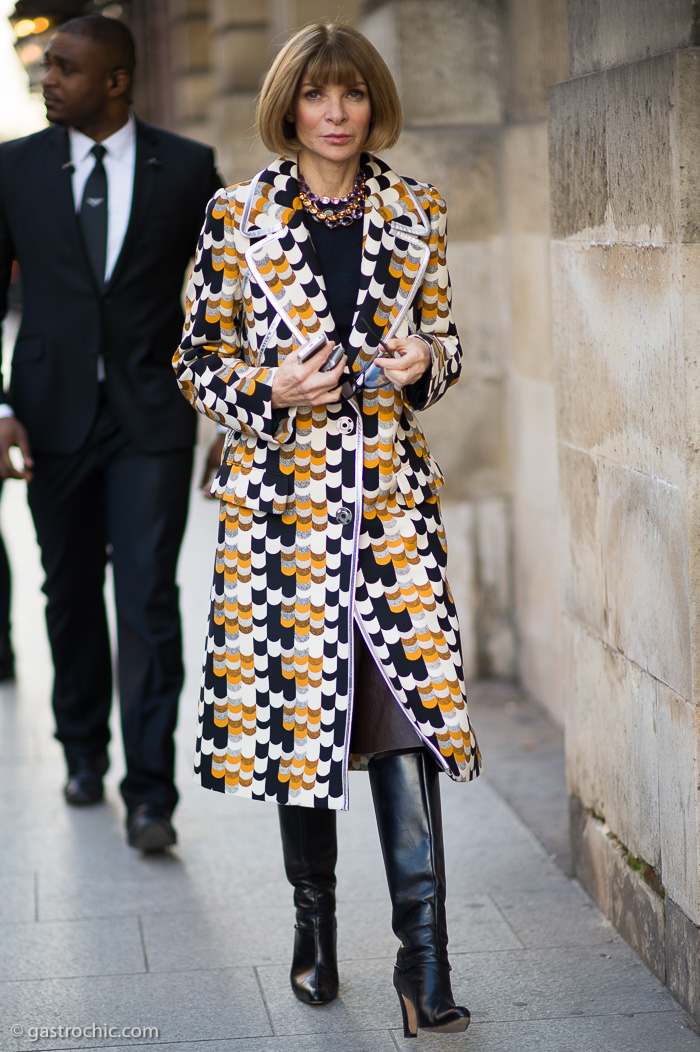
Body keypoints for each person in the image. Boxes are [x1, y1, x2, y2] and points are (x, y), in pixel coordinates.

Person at [173, 21, 481, 1037]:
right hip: (284, 517)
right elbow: (194, 360)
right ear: (290, 108)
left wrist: (423, 360)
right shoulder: (237, 216)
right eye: (318, 96)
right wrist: (269, 384)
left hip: (388, 505)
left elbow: (446, 335)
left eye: (352, 94)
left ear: (371, 102)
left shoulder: (413, 210)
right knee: (302, 723)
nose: (337, 113)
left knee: (405, 717)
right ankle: (313, 927)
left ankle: (424, 962)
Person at [0, 15, 223, 851]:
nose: (46, 78)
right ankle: (83, 748)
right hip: (49, 417)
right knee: (66, 594)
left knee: (148, 601)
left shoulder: (190, 168)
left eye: (64, 67)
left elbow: (227, 303)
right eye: (47, 66)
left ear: (116, 80)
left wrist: (231, 417)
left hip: (150, 421)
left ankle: (151, 794)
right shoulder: (14, 168)